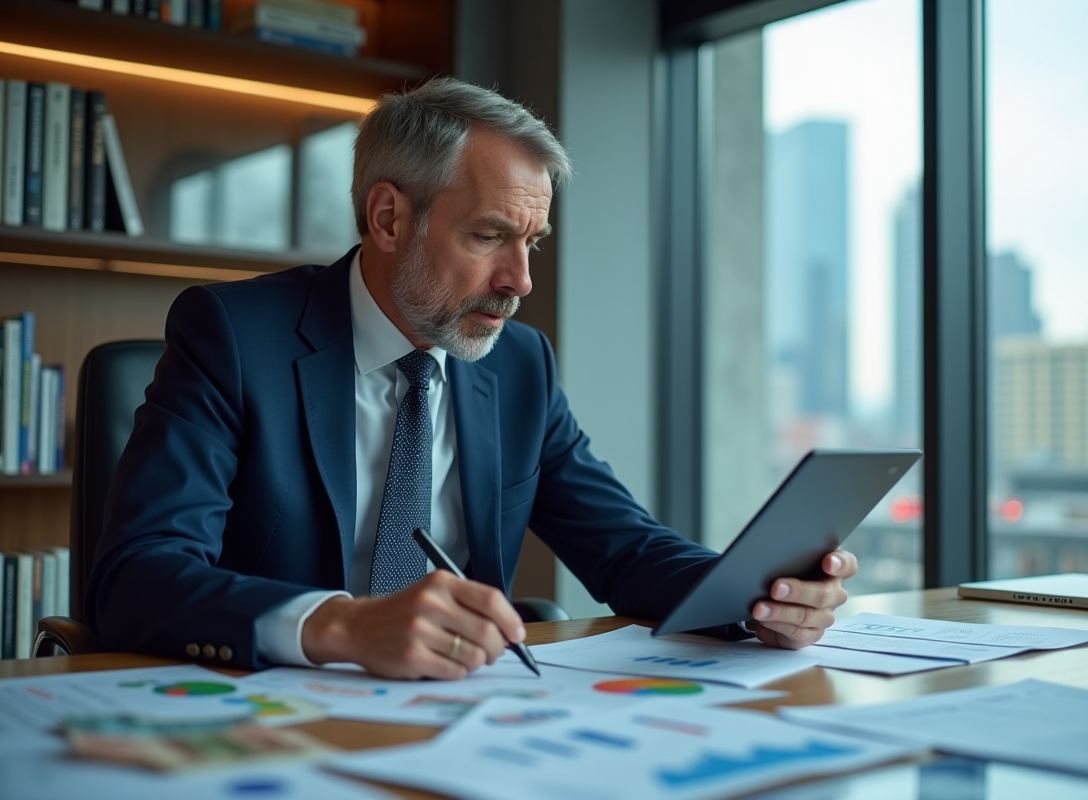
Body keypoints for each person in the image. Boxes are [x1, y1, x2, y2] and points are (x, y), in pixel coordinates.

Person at [86, 77, 858, 680]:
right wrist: (343, 625)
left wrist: (760, 596)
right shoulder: (233, 337)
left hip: (464, 717)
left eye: (533, 243)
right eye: (489, 235)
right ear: (388, 219)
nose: (520, 281)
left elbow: (624, 549)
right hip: (268, 722)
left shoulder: (519, 364)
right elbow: (137, 577)